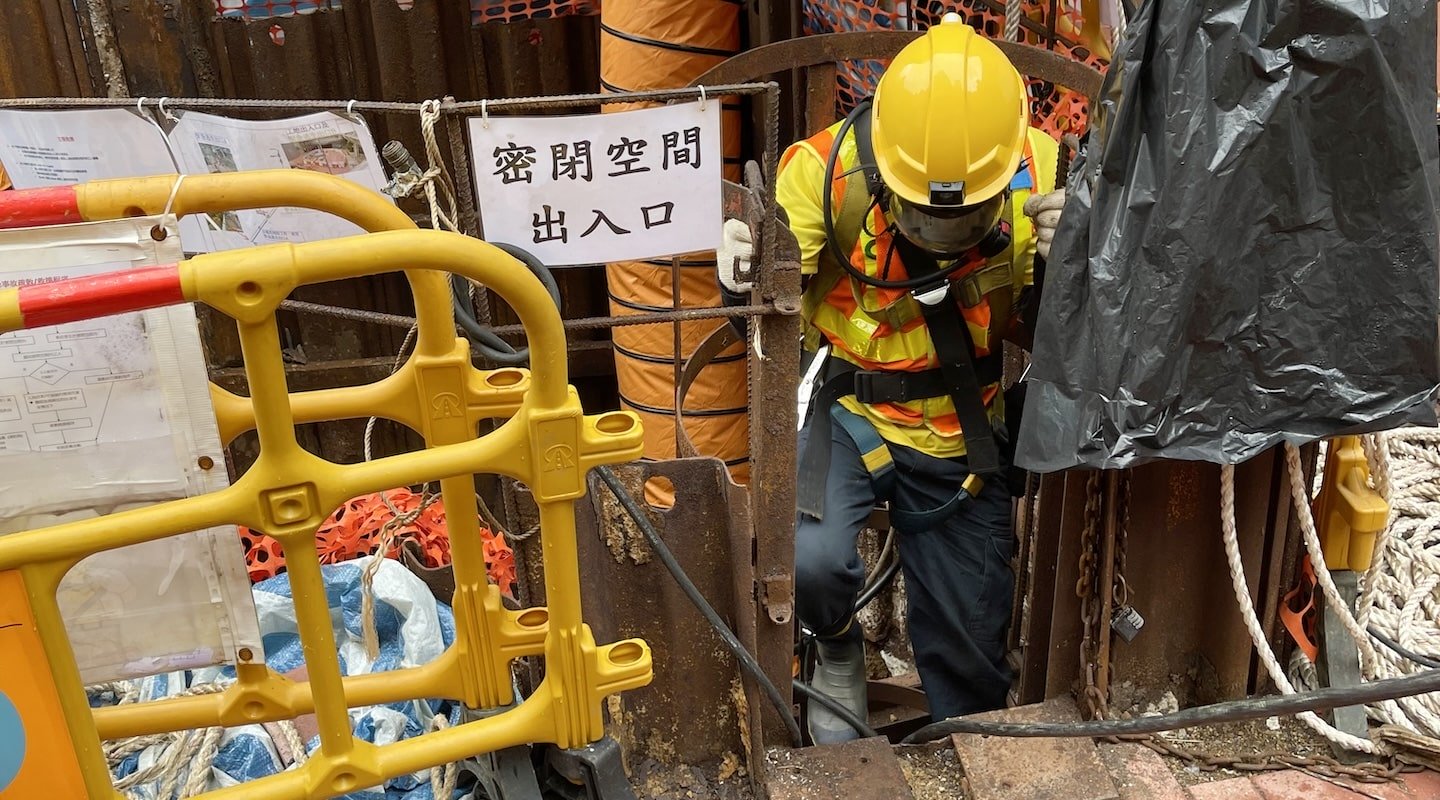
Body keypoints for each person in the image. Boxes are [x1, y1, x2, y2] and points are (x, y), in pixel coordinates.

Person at [717, 14, 1066, 743]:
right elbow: (764, 312)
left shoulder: (1041, 172)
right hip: (856, 409)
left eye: (967, 218)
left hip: (964, 428)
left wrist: (1074, 261)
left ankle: (962, 741)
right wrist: (742, 271)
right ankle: (836, 643)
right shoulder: (824, 174)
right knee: (810, 562)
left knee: (971, 647)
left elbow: (1069, 331)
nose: (947, 235)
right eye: (927, 216)